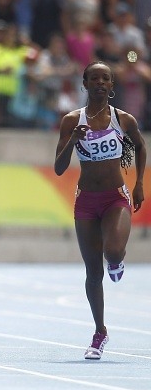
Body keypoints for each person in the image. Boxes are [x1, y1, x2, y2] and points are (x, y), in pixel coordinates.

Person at [54, 61, 146, 360]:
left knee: (114, 252)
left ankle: (117, 261)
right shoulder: (71, 120)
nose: (100, 83)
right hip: (86, 201)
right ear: (85, 84)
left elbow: (140, 148)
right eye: (94, 78)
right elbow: (58, 168)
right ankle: (99, 332)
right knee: (93, 273)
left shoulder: (123, 119)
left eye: (105, 78)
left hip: (115, 197)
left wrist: (139, 183)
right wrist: (73, 141)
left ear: (111, 86)